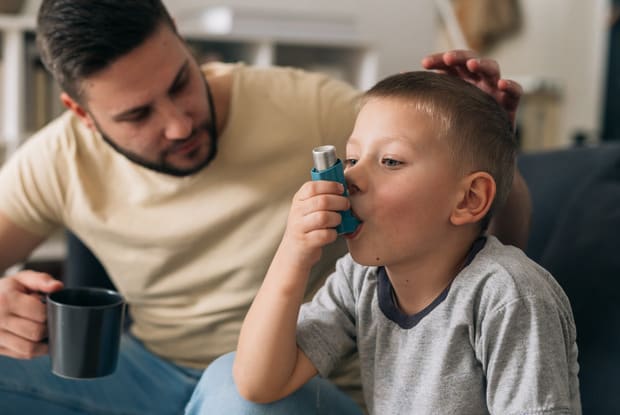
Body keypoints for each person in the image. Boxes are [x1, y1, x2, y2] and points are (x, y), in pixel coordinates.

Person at [0, 1, 529, 414]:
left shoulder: (311, 107)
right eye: (138, 114)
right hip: (151, 376)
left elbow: (486, 233)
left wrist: (480, 143)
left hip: (291, 388)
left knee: (238, 390)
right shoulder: (53, 158)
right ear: (81, 113)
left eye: (182, 82)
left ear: (183, 42)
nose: (179, 124)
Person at [192, 71, 581, 414]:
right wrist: (291, 256)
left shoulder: (508, 295)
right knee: (226, 375)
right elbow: (258, 384)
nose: (351, 178)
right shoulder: (359, 280)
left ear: (468, 199)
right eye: (350, 159)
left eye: (391, 161)